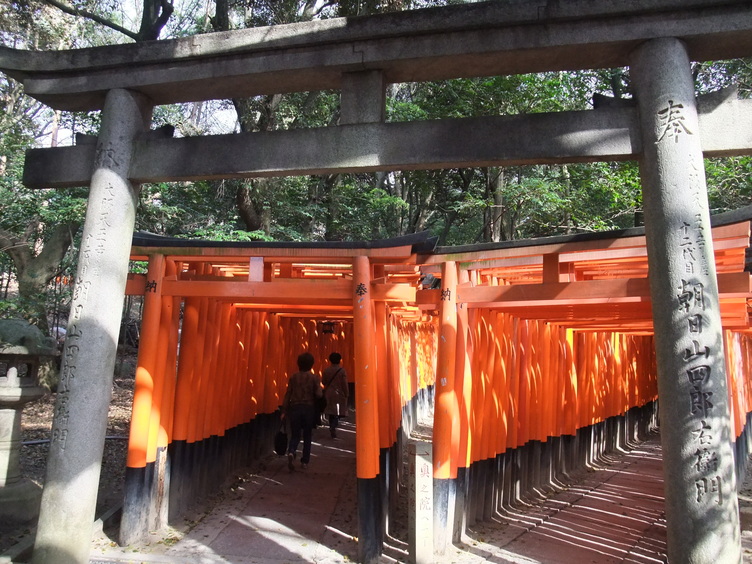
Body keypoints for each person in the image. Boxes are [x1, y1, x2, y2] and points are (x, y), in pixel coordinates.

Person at [281, 352, 322, 471]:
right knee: (307, 434)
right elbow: (319, 394)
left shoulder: (293, 377)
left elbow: (288, 394)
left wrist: (284, 410)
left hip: (295, 407)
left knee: (295, 433)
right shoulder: (314, 378)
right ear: (311, 364)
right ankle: (305, 461)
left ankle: (292, 451)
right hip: (308, 408)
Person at [321, 352, 349, 439]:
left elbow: (323, 382)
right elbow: (344, 383)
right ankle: (333, 426)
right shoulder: (342, 371)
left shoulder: (326, 370)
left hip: (328, 393)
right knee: (337, 411)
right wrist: (346, 392)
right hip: (338, 393)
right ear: (339, 360)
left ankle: (331, 425)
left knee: (331, 411)